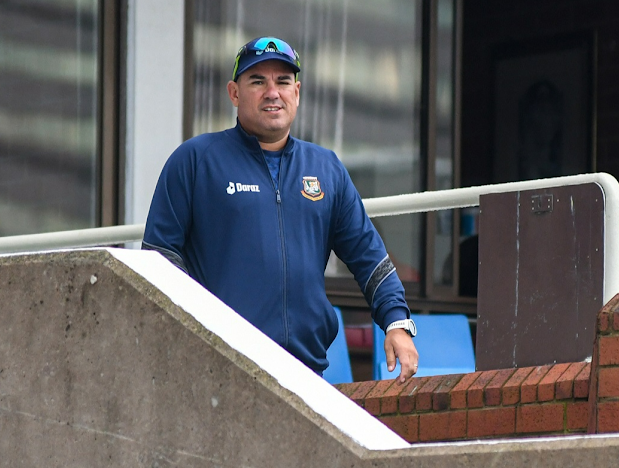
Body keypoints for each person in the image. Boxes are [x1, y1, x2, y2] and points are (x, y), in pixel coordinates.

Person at [142, 36, 419, 382]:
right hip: (220, 369)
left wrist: (396, 322)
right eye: (258, 81)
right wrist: (199, 328)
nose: (272, 92)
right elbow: (160, 258)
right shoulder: (196, 161)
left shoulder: (326, 169)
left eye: (283, 82)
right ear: (234, 93)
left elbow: (369, 256)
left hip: (307, 373)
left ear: (297, 93)